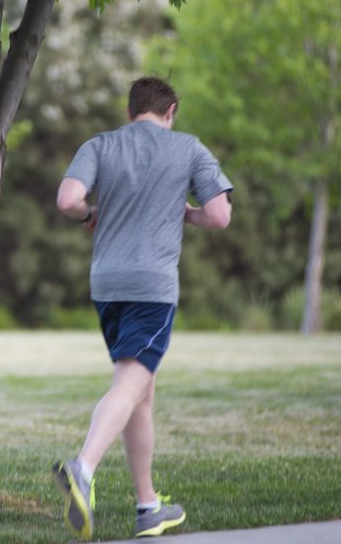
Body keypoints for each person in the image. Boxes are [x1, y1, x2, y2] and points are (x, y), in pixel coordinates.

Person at [51, 76, 233, 540]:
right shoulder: (189, 148)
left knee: (141, 391)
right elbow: (219, 215)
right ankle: (84, 468)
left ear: (132, 109)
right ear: (170, 110)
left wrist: (91, 215)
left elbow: (68, 200)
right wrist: (183, 212)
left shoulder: (100, 145)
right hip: (152, 286)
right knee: (132, 384)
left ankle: (148, 506)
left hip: (107, 284)